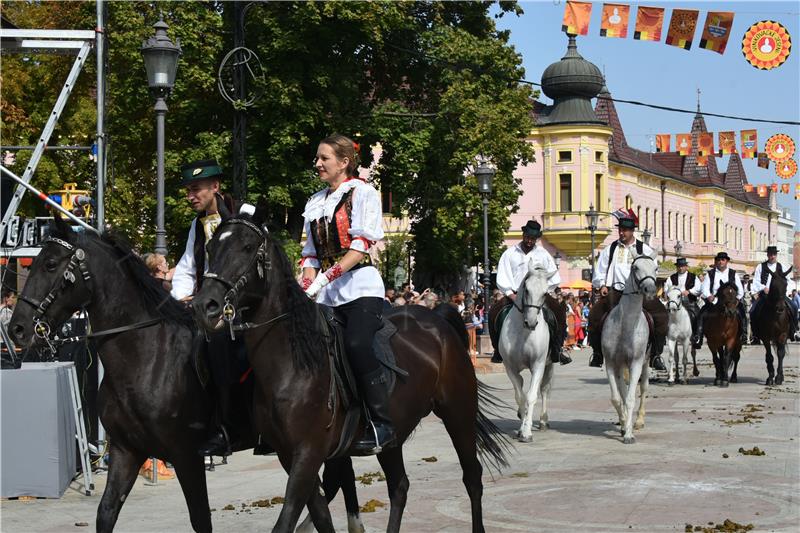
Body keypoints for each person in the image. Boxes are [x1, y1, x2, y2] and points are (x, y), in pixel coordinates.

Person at [300, 134, 394, 454]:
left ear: (344, 162)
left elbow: (360, 247)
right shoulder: (314, 201)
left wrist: (323, 279)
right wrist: (306, 283)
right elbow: (310, 254)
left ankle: (381, 423)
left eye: (324, 158)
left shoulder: (363, 193)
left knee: (356, 343)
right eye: (317, 158)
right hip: (325, 294)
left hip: (360, 288)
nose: (318, 164)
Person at [170, 159, 244, 457]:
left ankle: (227, 427)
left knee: (218, 349)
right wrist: (177, 302)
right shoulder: (196, 225)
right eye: (188, 190)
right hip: (205, 306)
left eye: (196, 189)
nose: (191, 196)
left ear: (215, 186)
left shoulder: (241, 216)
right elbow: (187, 268)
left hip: (238, 305)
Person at [587, 209, 667, 370]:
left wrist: (648, 286)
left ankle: (656, 355)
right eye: (620, 230)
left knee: (662, 315)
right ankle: (597, 353)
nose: (622, 233)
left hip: (640, 293)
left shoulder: (644, 249)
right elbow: (599, 270)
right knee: (595, 315)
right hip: (615, 292)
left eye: (625, 230)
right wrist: (602, 284)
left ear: (632, 231)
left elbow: (653, 270)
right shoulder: (610, 249)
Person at [488, 219, 572, 365]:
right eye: (527, 237)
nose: (529, 241)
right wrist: (510, 293)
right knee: (494, 313)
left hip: (538, 295)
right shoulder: (509, 254)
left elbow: (553, 276)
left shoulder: (543, 254)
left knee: (558, 311)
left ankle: (557, 349)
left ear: (536, 239)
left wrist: (543, 291)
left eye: (533, 239)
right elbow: (502, 275)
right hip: (514, 294)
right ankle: (498, 350)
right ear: (523, 234)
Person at [692, 252, 748, 348]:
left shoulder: (733, 274)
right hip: (715, 301)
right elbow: (704, 288)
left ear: (727, 261)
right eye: (718, 260)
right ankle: (698, 337)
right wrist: (709, 296)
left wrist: (737, 300)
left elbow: (740, 290)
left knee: (741, 312)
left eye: (723, 260)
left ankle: (744, 334)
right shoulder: (710, 273)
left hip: (730, 302)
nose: (720, 262)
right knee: (701, 314)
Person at [749, 246, 798, 341]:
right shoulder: (760, 267)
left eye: (774, 254)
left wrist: (786, 291)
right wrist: (763, 288)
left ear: (776, 255)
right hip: (765, 296)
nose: (772, 256)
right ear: (767, 255)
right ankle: (756, 335)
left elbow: (789, 281)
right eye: (770, 254)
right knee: (752, 311)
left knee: (794, 307)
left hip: (780, 296)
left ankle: (793, 331)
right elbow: (756, 281)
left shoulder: (782, 266)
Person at [663, 257, 702, 341]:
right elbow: (666, 289)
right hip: (675, 302)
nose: (680, 268)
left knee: (698, 315)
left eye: (682, 266)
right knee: (663, 316)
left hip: (689, 301)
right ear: (677, 267)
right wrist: (671, 293)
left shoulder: (693, 277)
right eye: (679, 266)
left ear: (686, 267)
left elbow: (698, 288)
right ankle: (664, 336)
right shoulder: (671, 278)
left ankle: (697, 335)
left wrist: (689, 291)